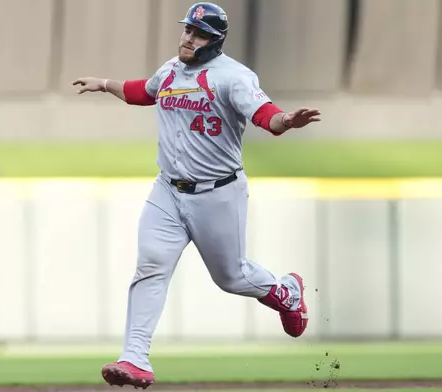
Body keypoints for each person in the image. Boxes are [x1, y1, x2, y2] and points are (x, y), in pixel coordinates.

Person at [72, 2, 321, 389]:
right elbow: (143, 92)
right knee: (150, 266)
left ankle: (285, 291)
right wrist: (104, 84)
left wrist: (286, 121)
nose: (188, 38)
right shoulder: (171, 70)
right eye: (188, 30)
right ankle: (134, 359)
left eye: (199, 33)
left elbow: (264, 114)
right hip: (168, 190)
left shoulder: (232, 76)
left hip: (217, 193)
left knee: (231, 277)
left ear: (215, 40)